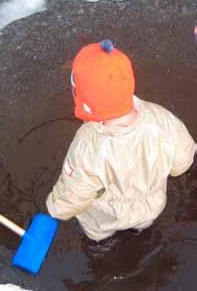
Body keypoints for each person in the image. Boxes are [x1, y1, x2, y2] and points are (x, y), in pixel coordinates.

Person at [46, 39, 196, 241]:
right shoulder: (162, 118)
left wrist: (56, 208)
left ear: (83, 98)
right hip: (150, 205)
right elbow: (182, 162)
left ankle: (100, 246)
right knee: (143, 223)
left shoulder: (88, 145)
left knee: (97, 231)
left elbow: (75, 191)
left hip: (105, 215)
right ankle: (138, 231)